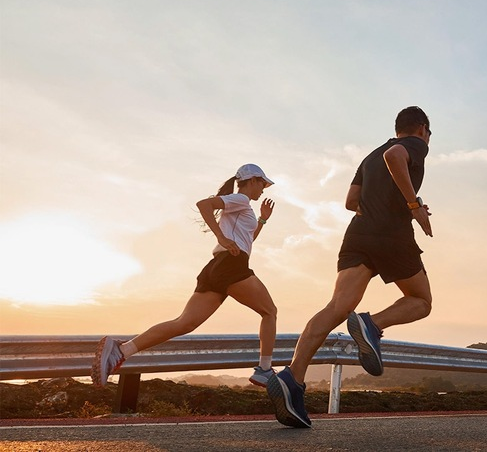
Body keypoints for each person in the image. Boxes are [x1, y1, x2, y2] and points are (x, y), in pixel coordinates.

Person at [267, 106, 434, 428]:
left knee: (337, 306)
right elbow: (396, 156)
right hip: (393, 236)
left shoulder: (371, 155)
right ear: (422, 129)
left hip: (358, 234)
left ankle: (293, 376)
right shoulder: (414, 145)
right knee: (421, 301)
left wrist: (398, 201)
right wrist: (413, 206)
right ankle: (372, 324)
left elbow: (351, 201)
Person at [91, 164, 280, 388]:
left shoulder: (241, 206)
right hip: (231, 266)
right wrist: (220, 236)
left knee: (184, 323)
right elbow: (204, 205)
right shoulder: (240, 200)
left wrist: (262, 220)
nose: (263, 190)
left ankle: (122, 350)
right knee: (270, 312)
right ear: (254, 180)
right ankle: (264, 370)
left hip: (217, 267)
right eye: (263, 184)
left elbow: (247, 241)